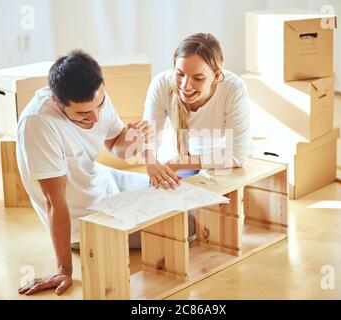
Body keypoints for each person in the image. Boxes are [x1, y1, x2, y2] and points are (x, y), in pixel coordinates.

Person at [16, 50, 150, 296]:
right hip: (87, 219)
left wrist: (133, 142)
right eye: (83, 114)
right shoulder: (38, 124)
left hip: (106, 180)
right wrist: (63, 270)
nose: (96, 117)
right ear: (57, 102)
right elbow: (53, 202)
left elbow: (114, 143)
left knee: (178, 195)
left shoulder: (93, 96)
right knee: (188, 227)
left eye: (99, 106)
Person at [143, 33, 251, 187]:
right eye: (180, 74)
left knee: (210, 204)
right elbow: (149, 137)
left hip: (218, 158)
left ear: (216, 76)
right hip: (175, 156)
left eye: (198, 78)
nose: (186, 86)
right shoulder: (162, 84)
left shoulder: (233, 90)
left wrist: (181, 162)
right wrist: (151, 161)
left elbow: (236, 155)